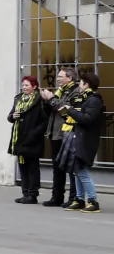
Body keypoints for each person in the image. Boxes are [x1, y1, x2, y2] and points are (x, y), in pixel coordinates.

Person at [54, 71, 104, 213]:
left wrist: (70, 111)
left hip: (85, 140)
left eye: (81, 83)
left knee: (81, 171)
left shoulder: (94, 100)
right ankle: (79, 199)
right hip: (78, 137)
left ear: (87, 84)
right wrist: (68, 111)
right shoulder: (85, 98)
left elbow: (87, 119)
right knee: (76, 170)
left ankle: (93, 201)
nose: (79, 85)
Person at [39, 67, 78, 207]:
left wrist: (52, 99)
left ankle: (74, 198)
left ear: (70, 78)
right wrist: (46, 101)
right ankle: (57, 197)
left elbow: (66, 111)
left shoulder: (75, 92)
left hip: (66, 134)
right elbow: (51, 111)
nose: (58, 79)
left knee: (71, 168)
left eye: (61, 77)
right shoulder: (60, 91)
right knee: (57, 168)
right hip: (55, 133)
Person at [7, 75, 47, 204]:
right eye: (23, 85)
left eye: (27, 85)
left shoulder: (39, 100)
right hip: (19, 138)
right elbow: (10, 116)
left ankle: (32, 194)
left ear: (34, 86)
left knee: (32, 167)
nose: (24, 87)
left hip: (32, 138)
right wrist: (13, 116)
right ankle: (25, 193)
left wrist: (34, 134)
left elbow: (44, 121)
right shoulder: (18, 99)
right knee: (22, 166)